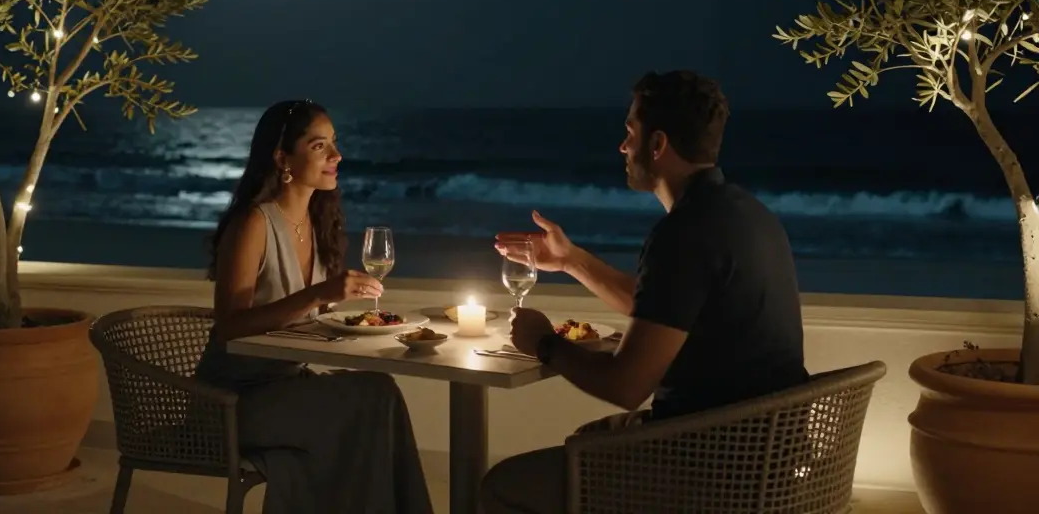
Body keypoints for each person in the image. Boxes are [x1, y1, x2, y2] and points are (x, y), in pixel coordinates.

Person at [481, 71, 810, 513]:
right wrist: (571, 261)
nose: (622, 146)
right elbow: (665, 310)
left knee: (502, 485)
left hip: (710, 470)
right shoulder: (750, 215)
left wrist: (543, 342)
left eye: (629, 133)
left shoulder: (683, 233)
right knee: (590, 439)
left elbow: (627, 385)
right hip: (771, 455)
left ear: (657, 145)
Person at [195, 99, 434, 514]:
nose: (337, 156)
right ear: (282, 157)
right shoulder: (254, 223)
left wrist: (356, 320)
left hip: (287, 386)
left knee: (378, 390)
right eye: (320, 146)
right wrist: (319, 295)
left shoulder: (318, 224)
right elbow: (231, 326)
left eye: (334, 144)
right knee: (369, 400)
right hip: (233, 401)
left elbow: (313, 323)